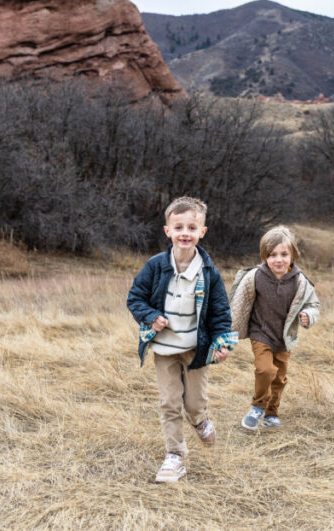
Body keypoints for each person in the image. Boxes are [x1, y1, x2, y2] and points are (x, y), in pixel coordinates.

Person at [126, 196, 237, 483]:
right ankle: (175, 455)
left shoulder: (209, 273)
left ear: (202, 232)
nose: (184, 233)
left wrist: (221, 343)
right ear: (167, 231)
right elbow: (135, 298)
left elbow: (220, 312)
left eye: (191, 227)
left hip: (196, 349)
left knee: (194, 403)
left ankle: (200, 421)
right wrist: (151, 315)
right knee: (169, 402)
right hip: (164, 349)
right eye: (178, 227)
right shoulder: (155, 266)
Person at [230, 225, 320, 430]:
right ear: (264, 256)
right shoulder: (255, 277)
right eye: (272, 255)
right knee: (265, 369)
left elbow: (313, 305)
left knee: (279, 377)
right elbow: (239, 302)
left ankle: (271, 413)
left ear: (293, 255)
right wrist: (231, 330)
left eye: (284, 254)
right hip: (260, 333)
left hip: (284, 337)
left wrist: (308, 316)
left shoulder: (300, 282)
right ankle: (257, 407)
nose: (278, 259)